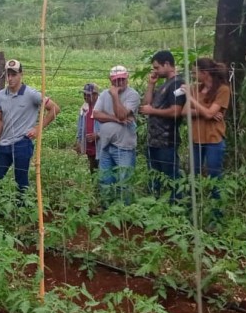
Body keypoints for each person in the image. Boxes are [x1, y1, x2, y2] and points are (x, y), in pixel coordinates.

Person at [0, 59, 60, 191]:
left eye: (14, 74)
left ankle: (21, 208)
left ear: (21, 74)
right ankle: (0, 210)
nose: (10, 78)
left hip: (22, 143)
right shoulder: (1, 95)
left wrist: (38, 128)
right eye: (8, 75)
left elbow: (54, 109)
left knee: (21, 180)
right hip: (4, 143)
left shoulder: (31, 94)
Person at [138, 50, 186, 197]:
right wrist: (151, 84)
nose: (155, 71)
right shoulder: (164, 84)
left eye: (157, 67)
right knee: (154, 177)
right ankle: (156, 202)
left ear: (167, 64)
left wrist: (152, 111)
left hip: (167, 140)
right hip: (154, 140)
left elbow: (175, 111)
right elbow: (146, 104)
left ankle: (176, 205)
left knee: (171, 177)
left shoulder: (178, 84)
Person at [93, 65, 141, 205]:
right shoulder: (103, 94)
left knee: (124, 182)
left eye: (122, 79)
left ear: (127, 78)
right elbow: (96, 114)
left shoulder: (133, 95)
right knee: (105, 180)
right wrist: (115, 119)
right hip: (106, 145)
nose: (119, 83)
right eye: (116, 80)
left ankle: (124, 213)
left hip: (124, 147)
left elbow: (122, 114)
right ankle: (107, 211)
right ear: (110, 79)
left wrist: (114, 95)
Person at [184, 57, 230, 183]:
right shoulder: (195, 88)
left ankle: (216, 201)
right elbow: (184, 111)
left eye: (194, 72)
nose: (193, 75)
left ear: (204, 73)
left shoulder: (223, 89)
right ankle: (196, 199)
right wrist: (206, 111)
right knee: (194, 172)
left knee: (214, 173)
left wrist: (192, 99)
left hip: (213, 138)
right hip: (196, 137)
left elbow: (209, 114)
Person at [75, 83, 100, 173]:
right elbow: (80, 125)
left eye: (88, 95)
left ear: (96, 95)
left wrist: (98, 135)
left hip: (100, 144)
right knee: (92, 166)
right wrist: (79, 140)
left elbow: (109, 126)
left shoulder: (102, 107)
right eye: (84, 94)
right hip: (89, 143)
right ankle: (95, 185)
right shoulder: (84, 107)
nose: (85, 97)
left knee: (101, 166)